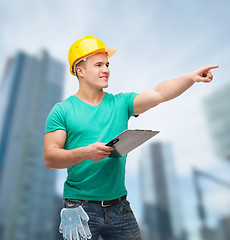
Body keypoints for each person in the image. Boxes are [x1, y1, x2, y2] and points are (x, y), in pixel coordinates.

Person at [43, 36, 218, 240]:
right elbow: (50, 158)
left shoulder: (121, 103)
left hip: (119, 208)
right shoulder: (62, 111)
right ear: (80, 71)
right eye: (98, 64)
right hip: (79, 209)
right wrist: (86, 152)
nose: (106, 69)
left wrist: (190, 78)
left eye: (107, 64)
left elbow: (159, 93)